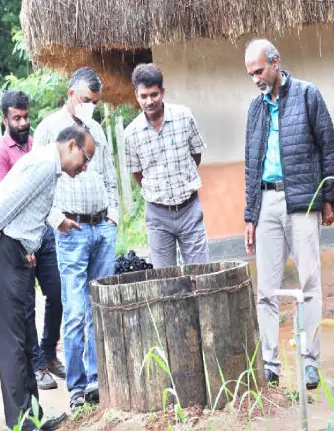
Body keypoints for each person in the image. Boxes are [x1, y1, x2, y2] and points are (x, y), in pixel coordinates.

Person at [0, 125, 95, 431]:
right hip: (3, 252)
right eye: (85, 159)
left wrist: (58, 222)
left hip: (17, 252)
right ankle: (20, 422)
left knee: (25, 338)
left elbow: (30, 202)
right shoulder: (44, 165)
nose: (84, 167)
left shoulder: (47, 165)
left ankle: (32, 417)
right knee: (13, 340)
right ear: (72, 146)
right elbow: (0, 207)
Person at [242, 39, 334, 390]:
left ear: (276, 63)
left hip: (302, 201)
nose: (255, 79)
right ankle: (270, 366)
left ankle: (310, 362)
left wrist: (327, 198)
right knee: (265, 290)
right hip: (266, 202)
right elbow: (251, 165)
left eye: (259, 71)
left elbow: (330, 149)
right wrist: (250, 216)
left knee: (309, 283)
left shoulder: (307, 94)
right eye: (250, 74)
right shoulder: (254, 110)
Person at [32, 67, 119, 411]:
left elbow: (110, 175)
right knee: (75, 310)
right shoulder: (48, 129)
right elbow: (37, 182)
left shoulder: (96, 129)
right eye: (85, 100)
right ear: (71, 94)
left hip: (102, 228)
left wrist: (113, 217)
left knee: (100, 306)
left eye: (95, 101)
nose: (90, 107)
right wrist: (57, 221)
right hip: (71, 232)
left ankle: (98, 380)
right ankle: (78, 388)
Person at [0, 90, 66, 391]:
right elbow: (3, 204)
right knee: (27, 304)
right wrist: (23, 246)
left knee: (57, 292)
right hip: (18, 239)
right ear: (4, 119)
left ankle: (49, 351)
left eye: (25, 117)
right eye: (16, 118)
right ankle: (37, 365)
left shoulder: (36, 146)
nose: (22, 123)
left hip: (44, 231)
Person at [124, 63, 209, 267]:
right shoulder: (131, 133)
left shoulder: (184, 116)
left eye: (154, 94)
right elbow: (137, 173)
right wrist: (158, 190)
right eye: (144, 96)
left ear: (162, 92)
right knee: (164, 277)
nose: (150, 101)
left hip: (189, 209)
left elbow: (196, 154)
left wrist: (182, 180)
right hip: (157, 215)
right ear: (136, 96)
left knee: (201, 273)